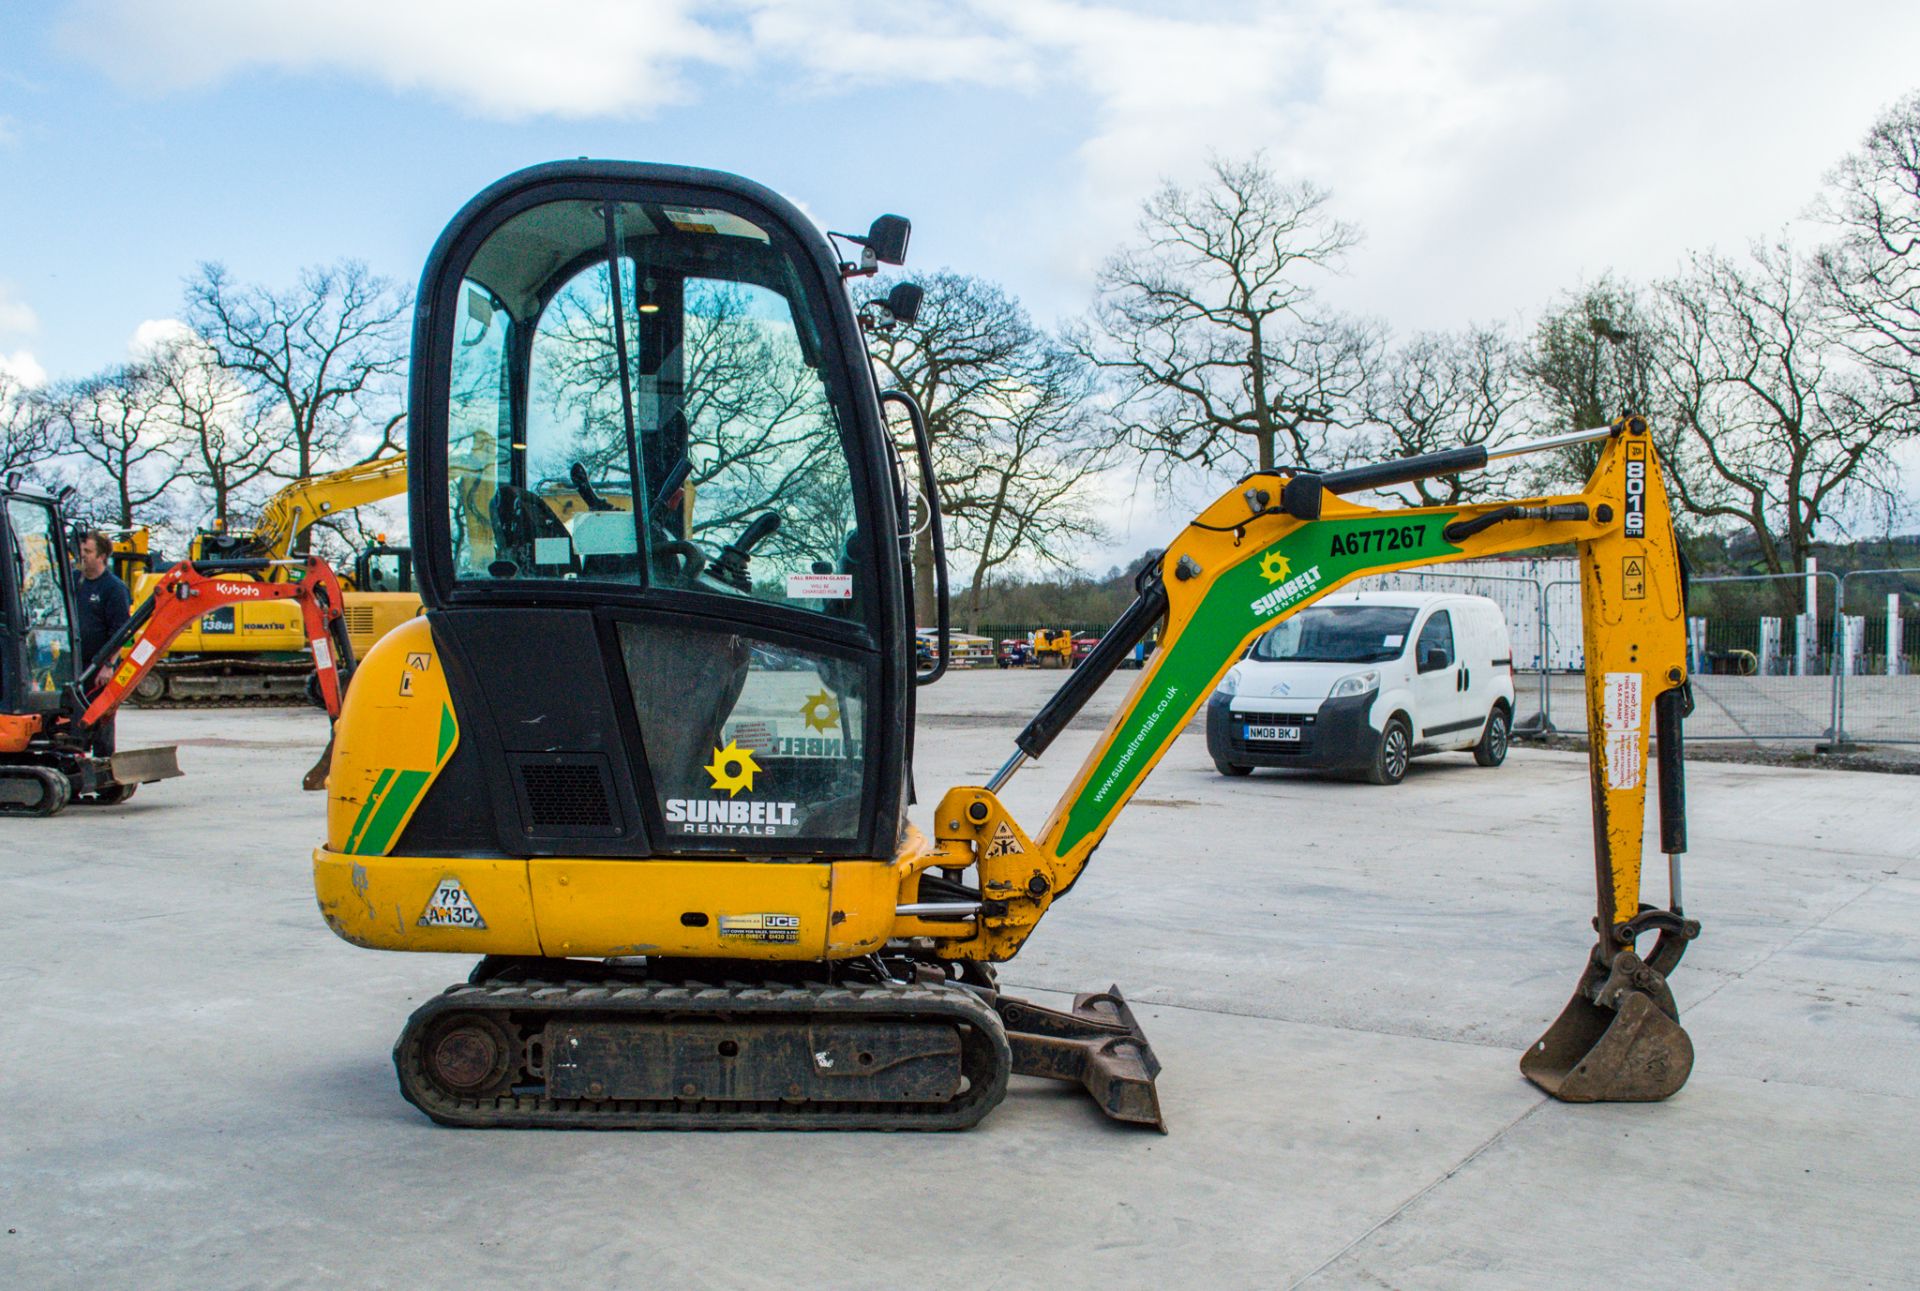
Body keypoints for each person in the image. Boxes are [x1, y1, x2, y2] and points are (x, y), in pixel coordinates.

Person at [73, 530, 131, 756]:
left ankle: (103, 761)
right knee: (74, 714)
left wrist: (108, 664)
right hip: (75, 661)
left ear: (102, 556)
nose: (83, 555)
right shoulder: (75, 582)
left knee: (101, 716)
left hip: (98, 665)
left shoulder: (113, 588)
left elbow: (120, 631)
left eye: (88, 551)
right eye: (81, 551)